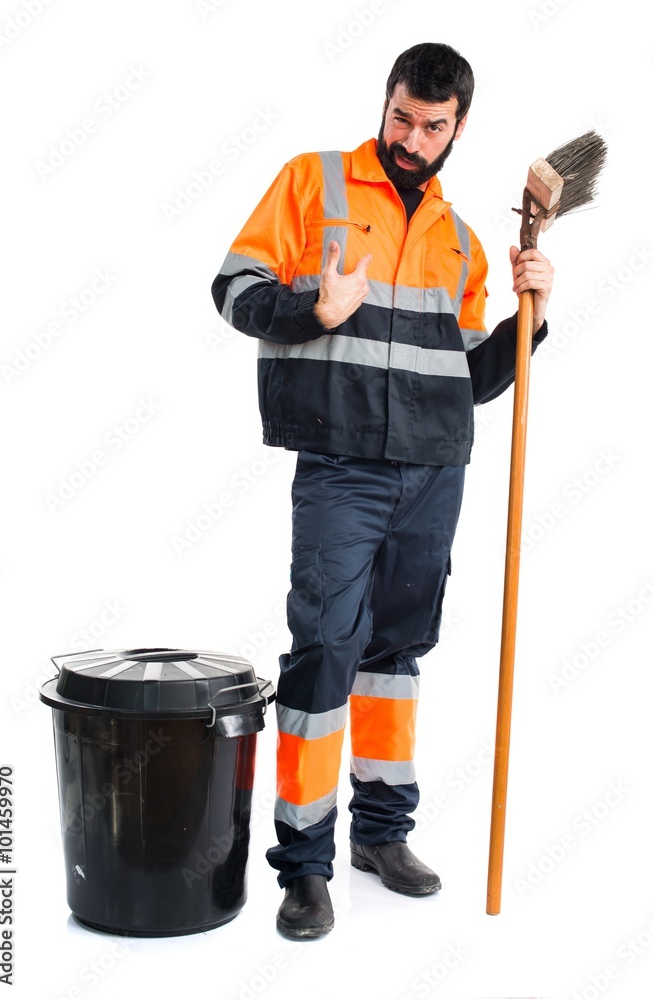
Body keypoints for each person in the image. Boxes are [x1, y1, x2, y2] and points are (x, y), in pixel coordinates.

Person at [211, 41, 554, 939]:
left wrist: (533, 319)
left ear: (457, 129)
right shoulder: (313, 183)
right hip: (342, 465)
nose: (411, 137)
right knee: (325, 647)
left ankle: (382, 834)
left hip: (435, 468)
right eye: (401, 116)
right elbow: (232, 287)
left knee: (396, 656)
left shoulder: (462, 240)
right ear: (388, 101)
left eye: (431, 126)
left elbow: (470, 376)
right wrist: (309, 309)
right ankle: (304, 866)